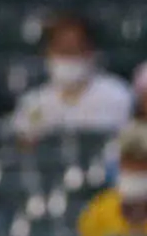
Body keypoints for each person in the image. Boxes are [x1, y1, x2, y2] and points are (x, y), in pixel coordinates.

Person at [11, 12, 133, 143]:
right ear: (47, 53)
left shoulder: (117, 95)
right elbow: (22, 148)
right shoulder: (33, 102)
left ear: (90, 52)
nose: (68, 59)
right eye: (63, 51)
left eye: (75, 50)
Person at [78, 121, 147, 236]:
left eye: (143, 162)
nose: (136, 168)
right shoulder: (99, 210)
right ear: (121, 163)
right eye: (130, 161)